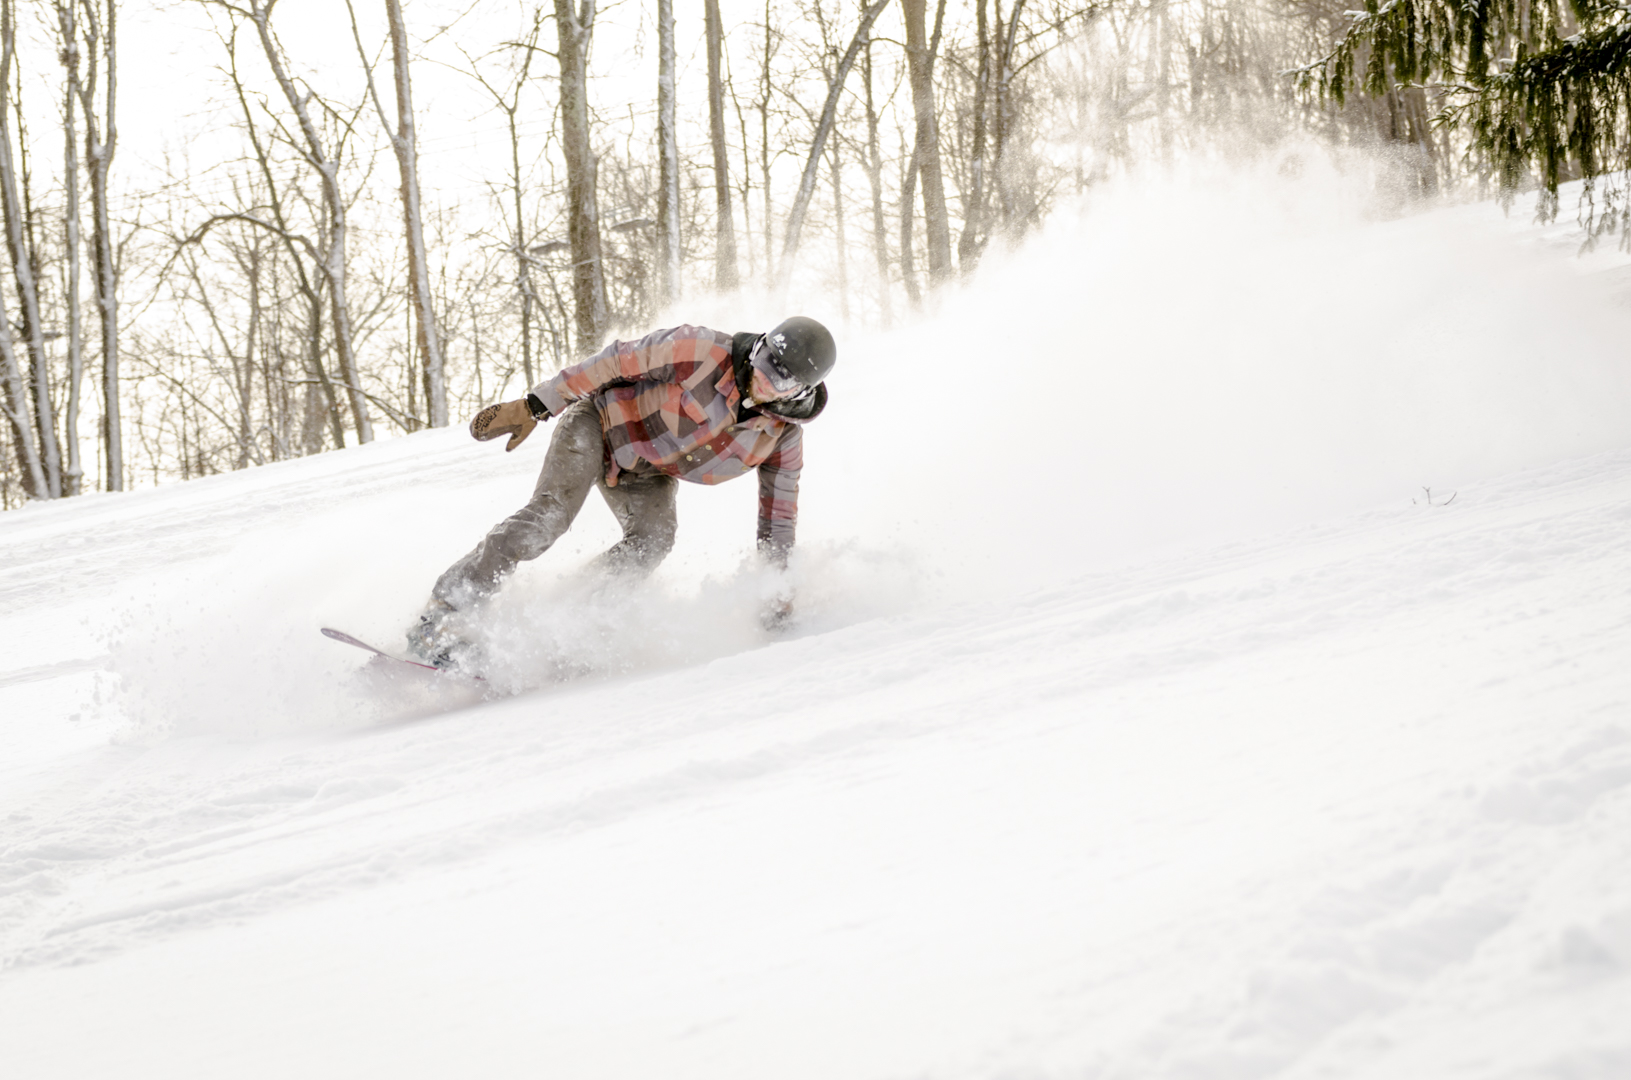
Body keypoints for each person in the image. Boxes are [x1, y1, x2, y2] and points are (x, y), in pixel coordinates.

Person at [406, 316, 835, 666]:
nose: (760, 377)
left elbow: (777, 520)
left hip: (647, 473)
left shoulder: (780, 439)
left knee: (653, 541)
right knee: (546, 521)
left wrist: (775, 593)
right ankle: (445, 613)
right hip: (598, 425)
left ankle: (560, 624)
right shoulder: (702, 351)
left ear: (800, 392)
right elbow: (615, 361)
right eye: (763, 359)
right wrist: (537, 404)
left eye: (778, 379)